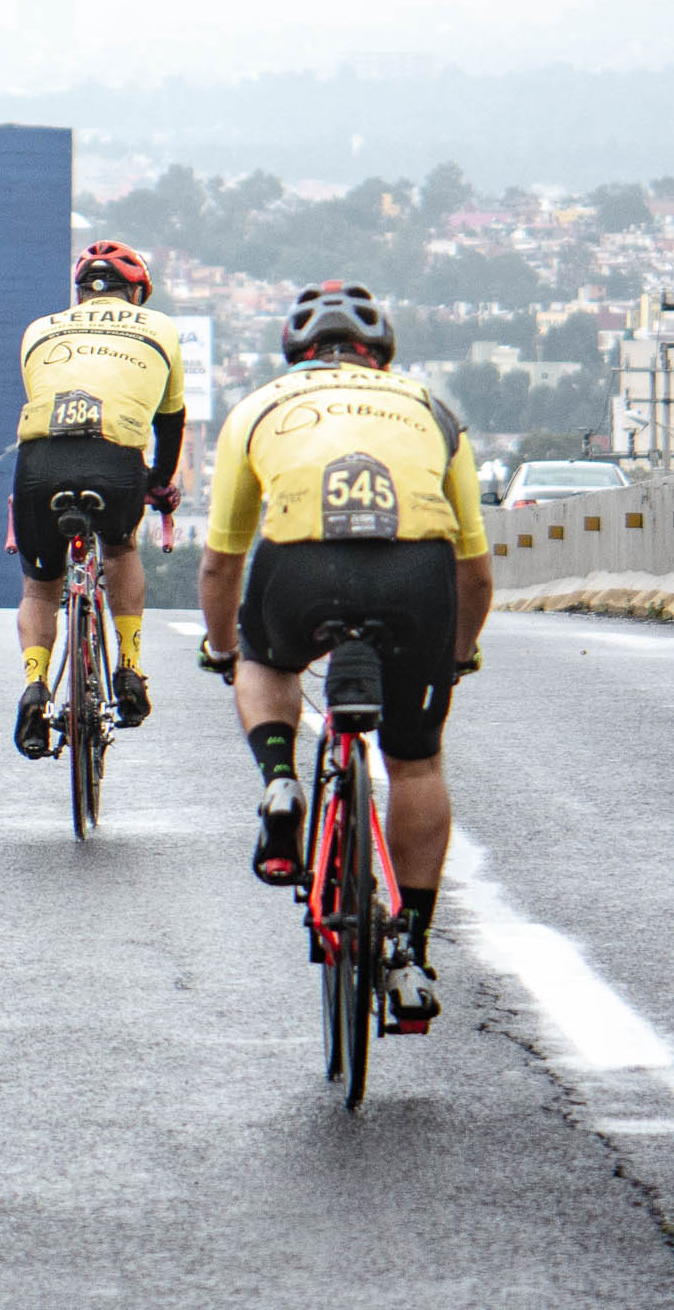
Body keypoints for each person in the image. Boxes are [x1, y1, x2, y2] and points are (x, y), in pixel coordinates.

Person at [194, 280, 490, 1031]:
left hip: (300, 571)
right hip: (415, 576)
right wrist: (455, 656)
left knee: (266, 663)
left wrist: (226, 650)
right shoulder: (433, 408)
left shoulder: (257, 407)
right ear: (381, 354)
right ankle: (411, 950)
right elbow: (475, 571)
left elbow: (222, 562)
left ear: (295, 353)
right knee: (416, 765)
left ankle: (280, 783)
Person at [8, 241, 187, 760]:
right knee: (119, 549)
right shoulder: (160, 329)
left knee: (40, 588)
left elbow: (40, 396)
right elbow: (170, 420)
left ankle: (35, 686)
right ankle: (129, 667)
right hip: (116, 460)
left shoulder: (40, 329)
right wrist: (157, 482)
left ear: (81, 292)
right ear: (137, 293)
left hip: (40, 462)